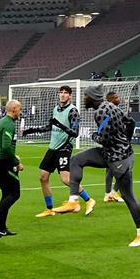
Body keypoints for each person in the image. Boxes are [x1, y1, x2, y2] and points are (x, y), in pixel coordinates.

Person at [54, 87, 140, 248]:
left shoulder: (100, 112)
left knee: (128, 196)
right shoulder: (112, 107)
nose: (84, 99)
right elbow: (130, 122)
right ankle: (73, 201)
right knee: (76, 160)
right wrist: (126, 142)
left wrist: (93, 135)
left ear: (92, 98)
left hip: (117, 159)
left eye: (85, 96)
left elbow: (103, 139)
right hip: (117, 154)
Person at [27, 86, 91, 217]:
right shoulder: (55, 109)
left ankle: (89, 200)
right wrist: (32, 130)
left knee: (66, 180)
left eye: (65, 93)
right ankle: (49, 209)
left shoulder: (73, 111)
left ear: (70, 96)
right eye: (60, 92)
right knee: (43, 177)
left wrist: (59, 125)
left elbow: (75, 133)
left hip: (64, 148)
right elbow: (50, 126)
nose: (62, 95)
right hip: (53, 148)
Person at [0, 99, 24, 237]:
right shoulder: (8, 124)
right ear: (13, 109)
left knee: (6, 194)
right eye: (19, 108)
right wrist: (16, 162)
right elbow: (6, 146)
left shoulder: (2, 122)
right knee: (15, 194)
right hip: (4, 162)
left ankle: (1, 227)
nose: (21, 111)